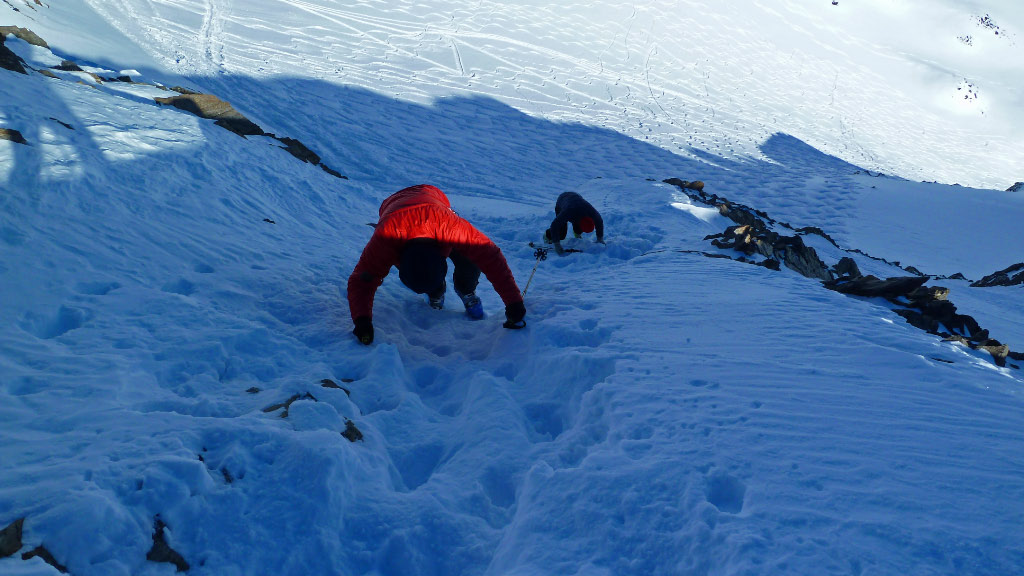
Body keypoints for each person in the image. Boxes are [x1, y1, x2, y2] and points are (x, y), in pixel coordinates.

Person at [347, 184, 527, 344]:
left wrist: (513, 303)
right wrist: (362, 321)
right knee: (424, 273)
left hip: (434, 204)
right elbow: (362, 280)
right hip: (394, 209)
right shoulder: (385, 240)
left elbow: (490, 255)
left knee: (471, 256)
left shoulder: (450, 227)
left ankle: (466, 289)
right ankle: (435, 289)